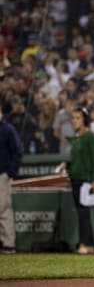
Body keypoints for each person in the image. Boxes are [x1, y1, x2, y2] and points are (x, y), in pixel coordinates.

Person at [58, 107, 94, 254]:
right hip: (75, 179)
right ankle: (91, 245)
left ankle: (83, 244)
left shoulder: (90, 137)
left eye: (78, 118)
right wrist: (66, 164)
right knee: (83, 213)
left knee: (83, 213)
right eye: (73, 118)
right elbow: (74, 158)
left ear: (85, 120)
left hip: (85, 180)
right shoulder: (75, 138)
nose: (74, 121)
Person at [0, 100, 22, 254]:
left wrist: (10, 173)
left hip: (2, 175)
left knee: (3, 210)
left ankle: (8, 244)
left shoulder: (7, 129)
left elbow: (17, 152)